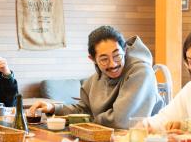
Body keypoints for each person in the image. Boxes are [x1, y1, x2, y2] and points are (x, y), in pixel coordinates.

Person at [30, 25, 164, 129]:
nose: (113, 64)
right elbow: (84, 110)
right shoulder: (92, 81)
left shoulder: (141, 72)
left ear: (125, 50)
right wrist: (53, 108)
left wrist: (89, 119)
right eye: (104, 59)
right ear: (92, 59)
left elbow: (122, 121)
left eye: (117, 55)